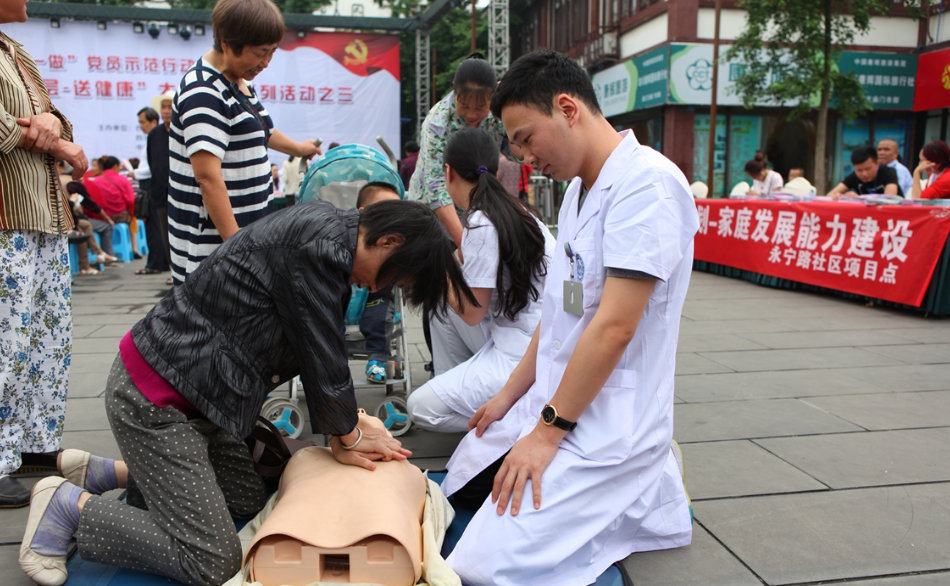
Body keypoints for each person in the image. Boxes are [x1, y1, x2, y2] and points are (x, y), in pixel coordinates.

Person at [19, 199, 476, 586]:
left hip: (205, 402)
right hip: (154, 402)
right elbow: (322, 350)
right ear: (389, 241)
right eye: (389, 278)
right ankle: (68, 507)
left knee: (248, 499)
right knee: (213, 557)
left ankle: (114, 473)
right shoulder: (320, 246)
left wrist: (350, 426)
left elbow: (321, 350)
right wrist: (349, 434)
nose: (376, 288)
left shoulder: (329, 238)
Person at [439, 49, 695, 586]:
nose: (525, 158)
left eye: (527, 138)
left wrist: (546, 434)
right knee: (458, 484)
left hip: (604, 419)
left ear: (567, 108)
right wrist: (509, 397)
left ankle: (639, 484)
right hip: (563, 398)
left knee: (479, 566)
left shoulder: (647, 186)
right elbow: (561, 313)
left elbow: (615, 326)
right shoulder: (579, 191)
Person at [0, 0, 88, 509]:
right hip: (5, 215)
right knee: (6, 338)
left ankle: (28, 443)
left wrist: (50, 128)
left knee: (44, 336)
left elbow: (59, 122)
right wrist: (44, 135)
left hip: (41, 212)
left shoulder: (16, 50)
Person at [408, 128, 555, 433]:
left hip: (521, 354)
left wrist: (441, 264)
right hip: (532, 338)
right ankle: (459, 386)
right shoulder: (519, 210)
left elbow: (473, 312)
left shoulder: (479, 221)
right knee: (442, 308)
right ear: (497, 169)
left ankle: (517, 417)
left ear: (448, 172)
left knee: (420, 409)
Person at [168, 0, 320, 285]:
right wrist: (238, 249)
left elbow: (262, 129)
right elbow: (207, 179)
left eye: (272, 52)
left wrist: (300, 148)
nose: (265, 63)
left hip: (245, 237)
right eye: (259, 53)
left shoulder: (238, 82)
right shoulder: (203, 91)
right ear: (227, 44)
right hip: (215, 248)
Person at [407, 53, 512, 252]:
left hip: (478, 211)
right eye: (464, 105)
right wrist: (462, 242)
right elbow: (435, 186)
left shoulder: (500, 112)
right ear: (455, 91)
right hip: (432, 217)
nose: (472, 115)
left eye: (481, 107)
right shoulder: (438, 122)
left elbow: (516, 150)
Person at [355, 182, 402, 383]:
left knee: (380, 317)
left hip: (376, 299)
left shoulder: (396, 242)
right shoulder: (351, 238)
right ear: (363, 213)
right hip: (342, 296)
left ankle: (377, 359)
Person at [94, 155, 141, 257]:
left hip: (104, 217)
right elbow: (130, 200)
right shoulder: (123, 180)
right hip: (121, 216)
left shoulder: (96, 181)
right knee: (133, 219)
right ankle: (134, 249)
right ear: (115, 166)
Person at [828, 145, 902, 198]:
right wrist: (841, 196)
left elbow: (890, 200)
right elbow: (829, 195)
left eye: (868, 169)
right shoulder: (854, 176)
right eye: (859, 170)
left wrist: (859, 199)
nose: (864, 173)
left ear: (877, 163)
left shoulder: (889, 172)